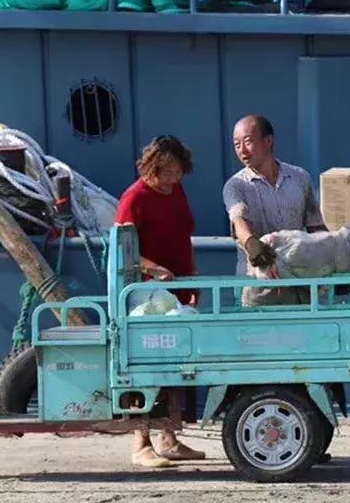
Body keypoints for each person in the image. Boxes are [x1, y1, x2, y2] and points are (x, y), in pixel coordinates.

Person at [115, 135, 204, 468]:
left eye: (178, 172)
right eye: (166, 173)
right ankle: (141, 442)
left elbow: (183, 235)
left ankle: (170, 438)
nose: (172, 180)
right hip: (145, 297)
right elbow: (121, 252)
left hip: (177, 291)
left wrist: (192, 275)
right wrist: (153, 268)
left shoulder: (176, 191)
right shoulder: (134, 198)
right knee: (146, 365)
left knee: (176, 364)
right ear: (151, 167)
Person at [222, 114, 325, 304]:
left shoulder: (300, 178)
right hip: (256, 288)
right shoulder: (235, 186)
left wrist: (330, 257)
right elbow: (239, 221)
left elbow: (316, 227)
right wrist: (252, 243)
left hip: (297, 282)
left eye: (248, 142)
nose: (242, 150)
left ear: (268, 141)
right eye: (236, 144)